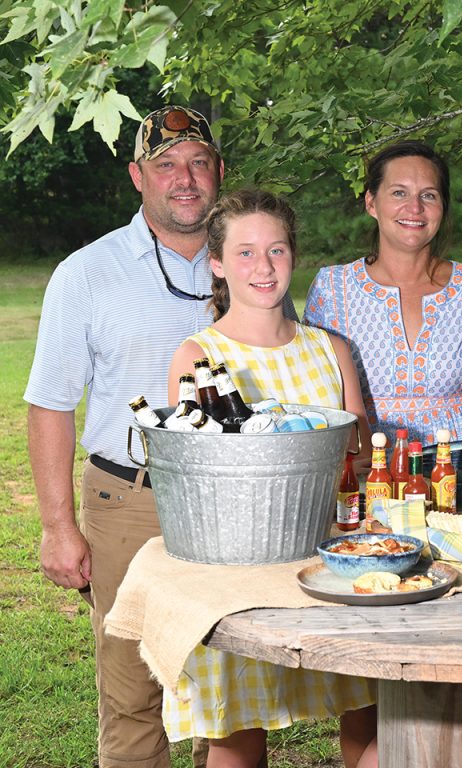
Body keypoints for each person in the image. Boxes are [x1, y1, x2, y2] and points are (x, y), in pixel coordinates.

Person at [25, 105, 223, 768]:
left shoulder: (249, 263)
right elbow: (50, 405)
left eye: (198, 163)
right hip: (128, 501)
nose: (185, 178)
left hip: (229, 501)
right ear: (139, 176)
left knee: (229, 695)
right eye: (167, 165)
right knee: (134, 694)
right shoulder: (87, 273)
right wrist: (57, 526)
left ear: (218, 172)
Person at [165, 189, 376, 768]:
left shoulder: (330, 349)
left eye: (276, 250)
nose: (263, 268)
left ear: (294, 256)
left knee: (371, 709)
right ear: (217, 264)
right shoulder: (198, 359)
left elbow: (358, 459)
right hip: (242, 569)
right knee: (238, 735)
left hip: (334, 562)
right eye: (245, 253)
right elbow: (197, 479)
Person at [304, 140, 462, 446]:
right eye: (399, 192)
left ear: (443, 206)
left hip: (457, 470)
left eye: (429, 195)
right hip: (365, 469)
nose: (415, 208)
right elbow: (316, 391)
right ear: (371, 203)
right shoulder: (332, 290)